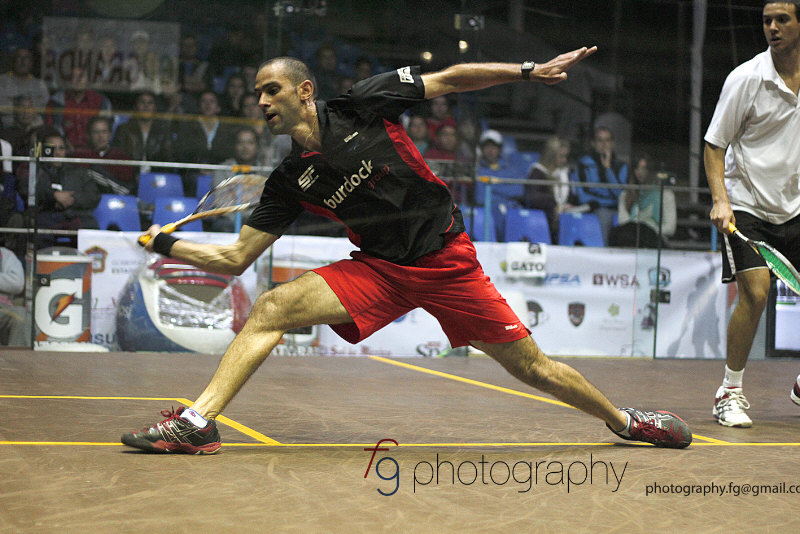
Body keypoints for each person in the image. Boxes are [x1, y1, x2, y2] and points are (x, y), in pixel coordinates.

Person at [122, 49, 692, 454]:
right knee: (271, 307)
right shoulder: (289, 180)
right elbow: (235, 259)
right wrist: (166, 242)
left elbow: (451, 79)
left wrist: (527, 71)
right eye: (257, 95)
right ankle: (198, 422)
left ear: (304, 91)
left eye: (272, 89)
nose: (262, 101)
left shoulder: (362, 105)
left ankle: (625, 422)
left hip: (447, 261)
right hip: (381, 271)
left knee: (534, 368)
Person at [705, 1, 800, 428]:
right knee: (757, 294)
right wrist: (721, 199)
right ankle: (729, 392)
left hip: (794, 206)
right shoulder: (746, 78)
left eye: (782, 20)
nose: (773, 28)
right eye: (766, 21)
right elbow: (714, 144)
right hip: (746, 205)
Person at [15, 128, 100, 247]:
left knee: (90, 228)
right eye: (52, 148)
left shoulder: (77, 172)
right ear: (43, 150)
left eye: (61, 148)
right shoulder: (33, 169)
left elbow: (94, 196)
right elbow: (25, 188)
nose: (57, 153)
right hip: (44, 217)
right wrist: (53, 195)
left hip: (73, 216)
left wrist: (72, 199)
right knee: (34, 230)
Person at [572, 126, 628, 243]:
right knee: (604, 215)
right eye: (600, 140)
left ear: (612, 143)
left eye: (607, 140)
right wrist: (602, 203)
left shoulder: (621, 166)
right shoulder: (583, 164)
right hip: (594, 209)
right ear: (593, 143)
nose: (604, 144)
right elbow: (582, 196)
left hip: (618, 209)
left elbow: (621, 195)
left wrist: (608, 169)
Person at [609, 152, 676, 248]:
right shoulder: (625, 195)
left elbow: (670, 228)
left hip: (655, 240)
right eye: (637, 168)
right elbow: (624, 223)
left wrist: (647, 231)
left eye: (644, 168)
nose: (640, 172)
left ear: (650, 170)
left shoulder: (666, 195)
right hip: (631, 240)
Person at [209, 127, 268, 232]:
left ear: (257, 146)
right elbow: (221, 201)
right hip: (229, 220)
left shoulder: (265, 171)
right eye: (240, 143)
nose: (245, 147)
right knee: (223, 226)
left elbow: (267, 202)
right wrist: (240, 219)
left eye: (250, 143)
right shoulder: (222, 170)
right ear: (234, 146)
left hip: (257, 220)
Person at [523, 136, 578, 243]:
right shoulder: (537, 172)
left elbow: (571, 197)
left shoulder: (565, 173)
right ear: (551, 156)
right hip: (542, 220)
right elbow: (533, 198)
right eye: (561, 156)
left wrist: (570, 206)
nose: (564, 160)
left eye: (566, 156)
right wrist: (556, 206)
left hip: (564, 219)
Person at [45, 66, 112, 151]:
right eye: (74, 76)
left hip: (95, 153)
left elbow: (107, 132)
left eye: (81, 76)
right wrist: (64, 145)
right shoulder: (56, 102)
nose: (78, 80)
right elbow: (50, 130)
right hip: (64, 153)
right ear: (68, 80)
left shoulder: (100, 101)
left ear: (88, 79)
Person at [71, 116, 135, 195]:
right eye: (96, 132)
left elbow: (126, 177)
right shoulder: (81, 155)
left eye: (104, 132)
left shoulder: (121, 156)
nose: (100, 136)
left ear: (110, 134)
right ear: (88, 135)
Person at [112, 91, 175, 170]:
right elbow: (118, 158)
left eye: (150, 103)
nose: (146, 106)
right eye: (142, 102)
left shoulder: (164, 131)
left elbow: (169, 159)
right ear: (136, 106)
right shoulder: (123, 129)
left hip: (156, 175)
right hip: (129, 174)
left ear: (155, 107)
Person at [0, 48, 50, 129]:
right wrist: (29, 104)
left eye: (26, 58)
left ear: (31, 63)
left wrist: (14, 102)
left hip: (35, 127)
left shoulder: (39, 84)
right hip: (8, 127)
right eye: (19, 57)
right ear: (13, 61)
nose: (23, 61)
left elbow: (42, 107)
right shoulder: (2, 81)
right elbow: (2, 107)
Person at [0, 245, 26, 347]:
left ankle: (17, 355)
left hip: (3, 309)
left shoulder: (6, 255)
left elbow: (17, 284)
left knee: (21, 315)